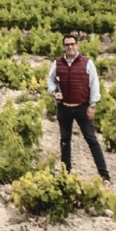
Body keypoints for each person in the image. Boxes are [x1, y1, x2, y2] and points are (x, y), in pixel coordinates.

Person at [47, 34, 110, 182]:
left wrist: (93, 104)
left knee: (92, 140)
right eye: (67, 44)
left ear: (77, 45)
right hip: (63, 108)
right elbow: (50, 79)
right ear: (64, 46)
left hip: (82, 107)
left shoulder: (87, 63)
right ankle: (65, 173)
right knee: (64, 141)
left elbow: (94, 84)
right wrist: (53, 91)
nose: (70, 47)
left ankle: (104, 174)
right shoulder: (57, 63)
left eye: (72, 44)